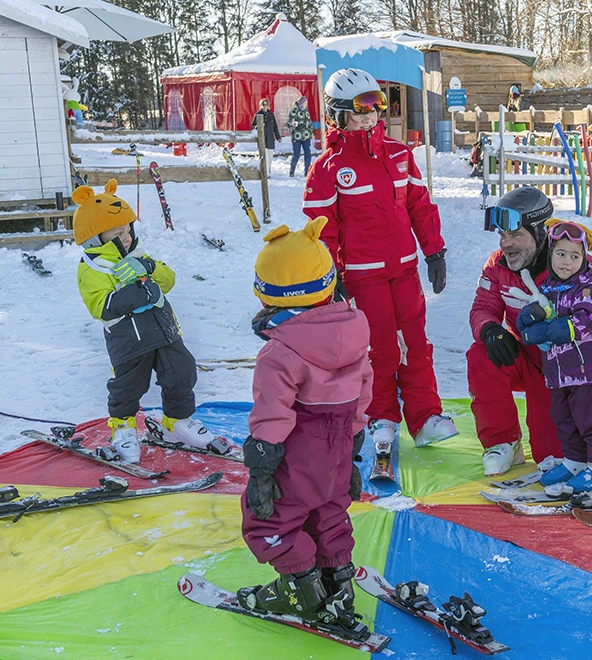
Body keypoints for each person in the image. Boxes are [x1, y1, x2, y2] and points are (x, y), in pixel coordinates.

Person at [303, 68, 456, 449]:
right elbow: (322, 229)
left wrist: (433, 250)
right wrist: (330, 274)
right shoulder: (329, 168)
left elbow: (420, 206)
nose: (372, 113)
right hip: (362, 275)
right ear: (340, 113)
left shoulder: (399, 154)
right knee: (380, 348)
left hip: (404, 270)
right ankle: (382, 417)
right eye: (362, 106)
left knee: (416, 343)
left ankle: (425, 418)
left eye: (377, 104)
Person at [237, 217, 374, 641]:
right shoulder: (355, 331)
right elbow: (365, 388)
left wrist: (261, 467)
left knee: (273, 518)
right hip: (336, 448)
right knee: (329, 514)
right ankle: (338, 585)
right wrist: (352, 444)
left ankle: (305, 592)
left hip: (297, 452)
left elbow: (273, 413)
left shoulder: (280, 353)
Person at [467, 187, 592, 476]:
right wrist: (490, 330)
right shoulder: (497, 265)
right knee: (480, 355)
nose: (506, 244)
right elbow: (482, 308)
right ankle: (504, 443)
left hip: (572, 370)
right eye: (503, 235)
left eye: (516, 235)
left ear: (540, 234)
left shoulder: (581, 268)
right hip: (526, 359)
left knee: (552, 457)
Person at [72, 179, 219, 463]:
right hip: (129, 341)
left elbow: (169, 280)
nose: (126, 237)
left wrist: (150, 267)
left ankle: (176, 421)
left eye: (127, 230)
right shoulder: (93, 267)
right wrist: (139, 293)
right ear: (95, 238)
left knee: (181, 372)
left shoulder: (137, 254)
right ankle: (123, 427)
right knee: (128, 385)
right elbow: (100, 305)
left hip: (164, 332)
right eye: (117, 232)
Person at [515, 221, 592, 493]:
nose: (567, 262)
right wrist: (531, 318)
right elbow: (545, 309)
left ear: (584, 258)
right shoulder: (549, 286)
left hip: (590, 371)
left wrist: (559, 328)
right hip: (560, 372)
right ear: (550, 253)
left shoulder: (589, 284)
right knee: (565, 419)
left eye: (575, 256)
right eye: (561, 254)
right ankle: (576, 460)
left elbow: (586, 319)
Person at [253, 98, 282, 176]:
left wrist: (278, 137)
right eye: (263, 105)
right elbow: (253, 126)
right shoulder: (258, 114)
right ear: (260, 106)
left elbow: (275, 127)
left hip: (270, 139)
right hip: (263, 139)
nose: (265, 106)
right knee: (265, 157)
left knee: (270, 157)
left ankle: (268, 169)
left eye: (266, 105)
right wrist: (258, 127)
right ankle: (266, 173)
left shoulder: (271, 115)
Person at [287, 96, 313, 177]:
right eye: (305, 103)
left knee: (308, 154)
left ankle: (307, 172)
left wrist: (311, 133)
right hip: (297, 136)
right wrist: (294, 125)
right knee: (296, 154)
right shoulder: (294, 111)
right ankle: (292, 171)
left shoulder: (306, 112)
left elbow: (309, 123)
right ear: (301, 104)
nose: (306, 105)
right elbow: (288, 123)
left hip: (306, 136)